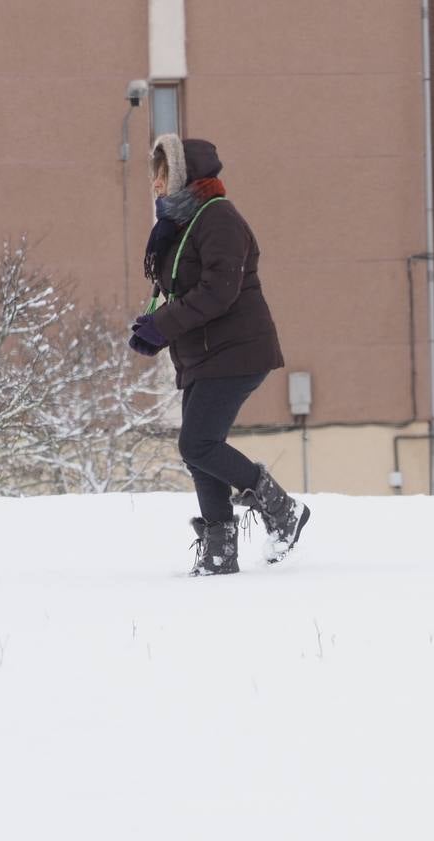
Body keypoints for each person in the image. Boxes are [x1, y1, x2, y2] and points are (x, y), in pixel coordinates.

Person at [131, 134, 310, 576]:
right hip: (203, 356)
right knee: (198, 449)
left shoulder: (219, 219)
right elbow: (179, 288)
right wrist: (155, 326)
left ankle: (282, 510)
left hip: (238, 351)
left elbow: (219, 292)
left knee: (198, 443)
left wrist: (166, 325)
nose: (154, 184)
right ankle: (219, 550)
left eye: (161, 174)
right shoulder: (179, 226)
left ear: (183, 175)